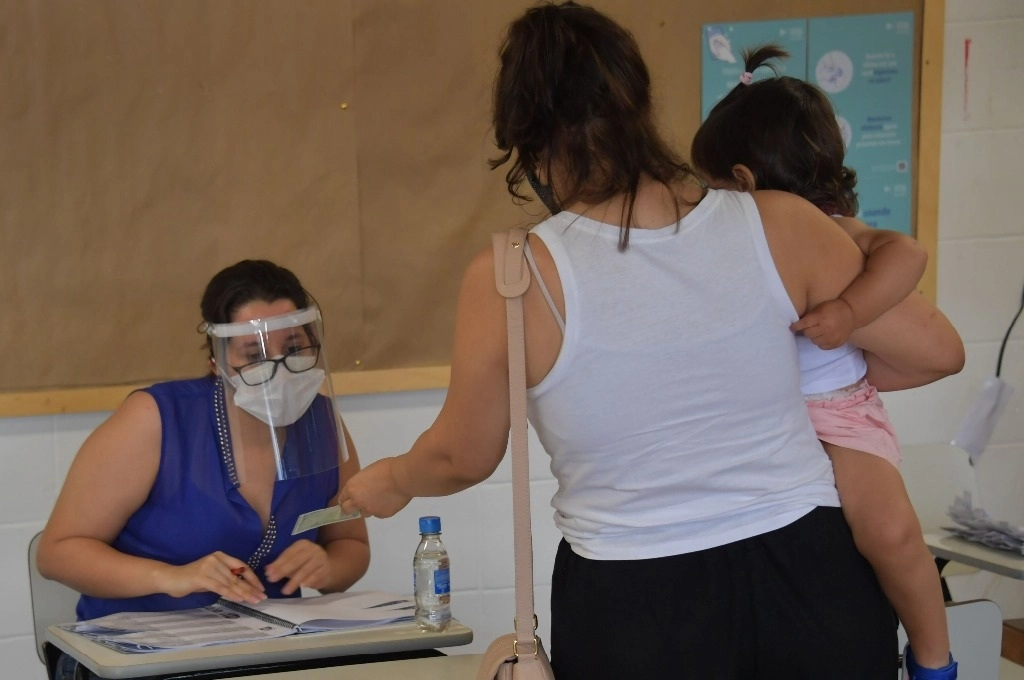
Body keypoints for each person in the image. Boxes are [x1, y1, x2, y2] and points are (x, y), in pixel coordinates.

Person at [338, 3, 963, 677]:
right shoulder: (784, 222)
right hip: (812, 580)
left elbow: (462, 455)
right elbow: (934, 350)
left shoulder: (514, 276)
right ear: (640, 101)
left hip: (636, 601)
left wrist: (395, 479)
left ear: (529, 141)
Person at [691, 45, 958, 679]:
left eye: (712, 188)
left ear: (744, 182)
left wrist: (849, 309)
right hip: (768, 427)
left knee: (890, 533)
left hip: (840, 418)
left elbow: (909, 254)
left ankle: (934, 658)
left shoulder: (836, 230)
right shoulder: (727, 249)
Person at [37, 260, 370, 679]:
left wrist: (329, 566)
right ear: (217, 360)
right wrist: (170, 577)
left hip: (260, 654)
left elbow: (350, 544)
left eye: (294, 348)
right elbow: (57, 553)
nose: (280, 369)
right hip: (132, 658)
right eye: (254, 355)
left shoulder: (322, 422)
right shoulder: (156, 419)